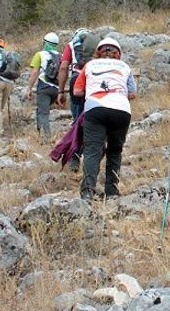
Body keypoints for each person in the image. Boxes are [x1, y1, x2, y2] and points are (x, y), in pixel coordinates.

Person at [72, 37, 137, 200]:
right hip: (121, 110)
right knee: (115, 151)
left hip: (95, 109)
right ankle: (112, 191)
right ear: (118, 53)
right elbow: (133, 94)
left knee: (92, 150)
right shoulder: (124, 66)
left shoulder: (89, 65)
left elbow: (76, 92)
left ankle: (87, 191)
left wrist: (92, 89)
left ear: (98, 52)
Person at [57, 28, 100, 170]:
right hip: (94, 81)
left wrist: (61, 91)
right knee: (94, 120)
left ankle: (74, 157)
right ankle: (91, 156)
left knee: (77, 122)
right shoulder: (97, 44)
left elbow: (63, 67)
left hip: (76, 82)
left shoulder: (70, 45)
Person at [27, 32, 61, 142]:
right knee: (41, 110)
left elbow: (34, 72)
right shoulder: (61, 55)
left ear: (45, 42)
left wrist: (29, 88)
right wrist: (61, 91)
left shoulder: (40, 54)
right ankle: (39, 132)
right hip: (56, 89)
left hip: (44, 87)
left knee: (43, 113)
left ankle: (45, 138)